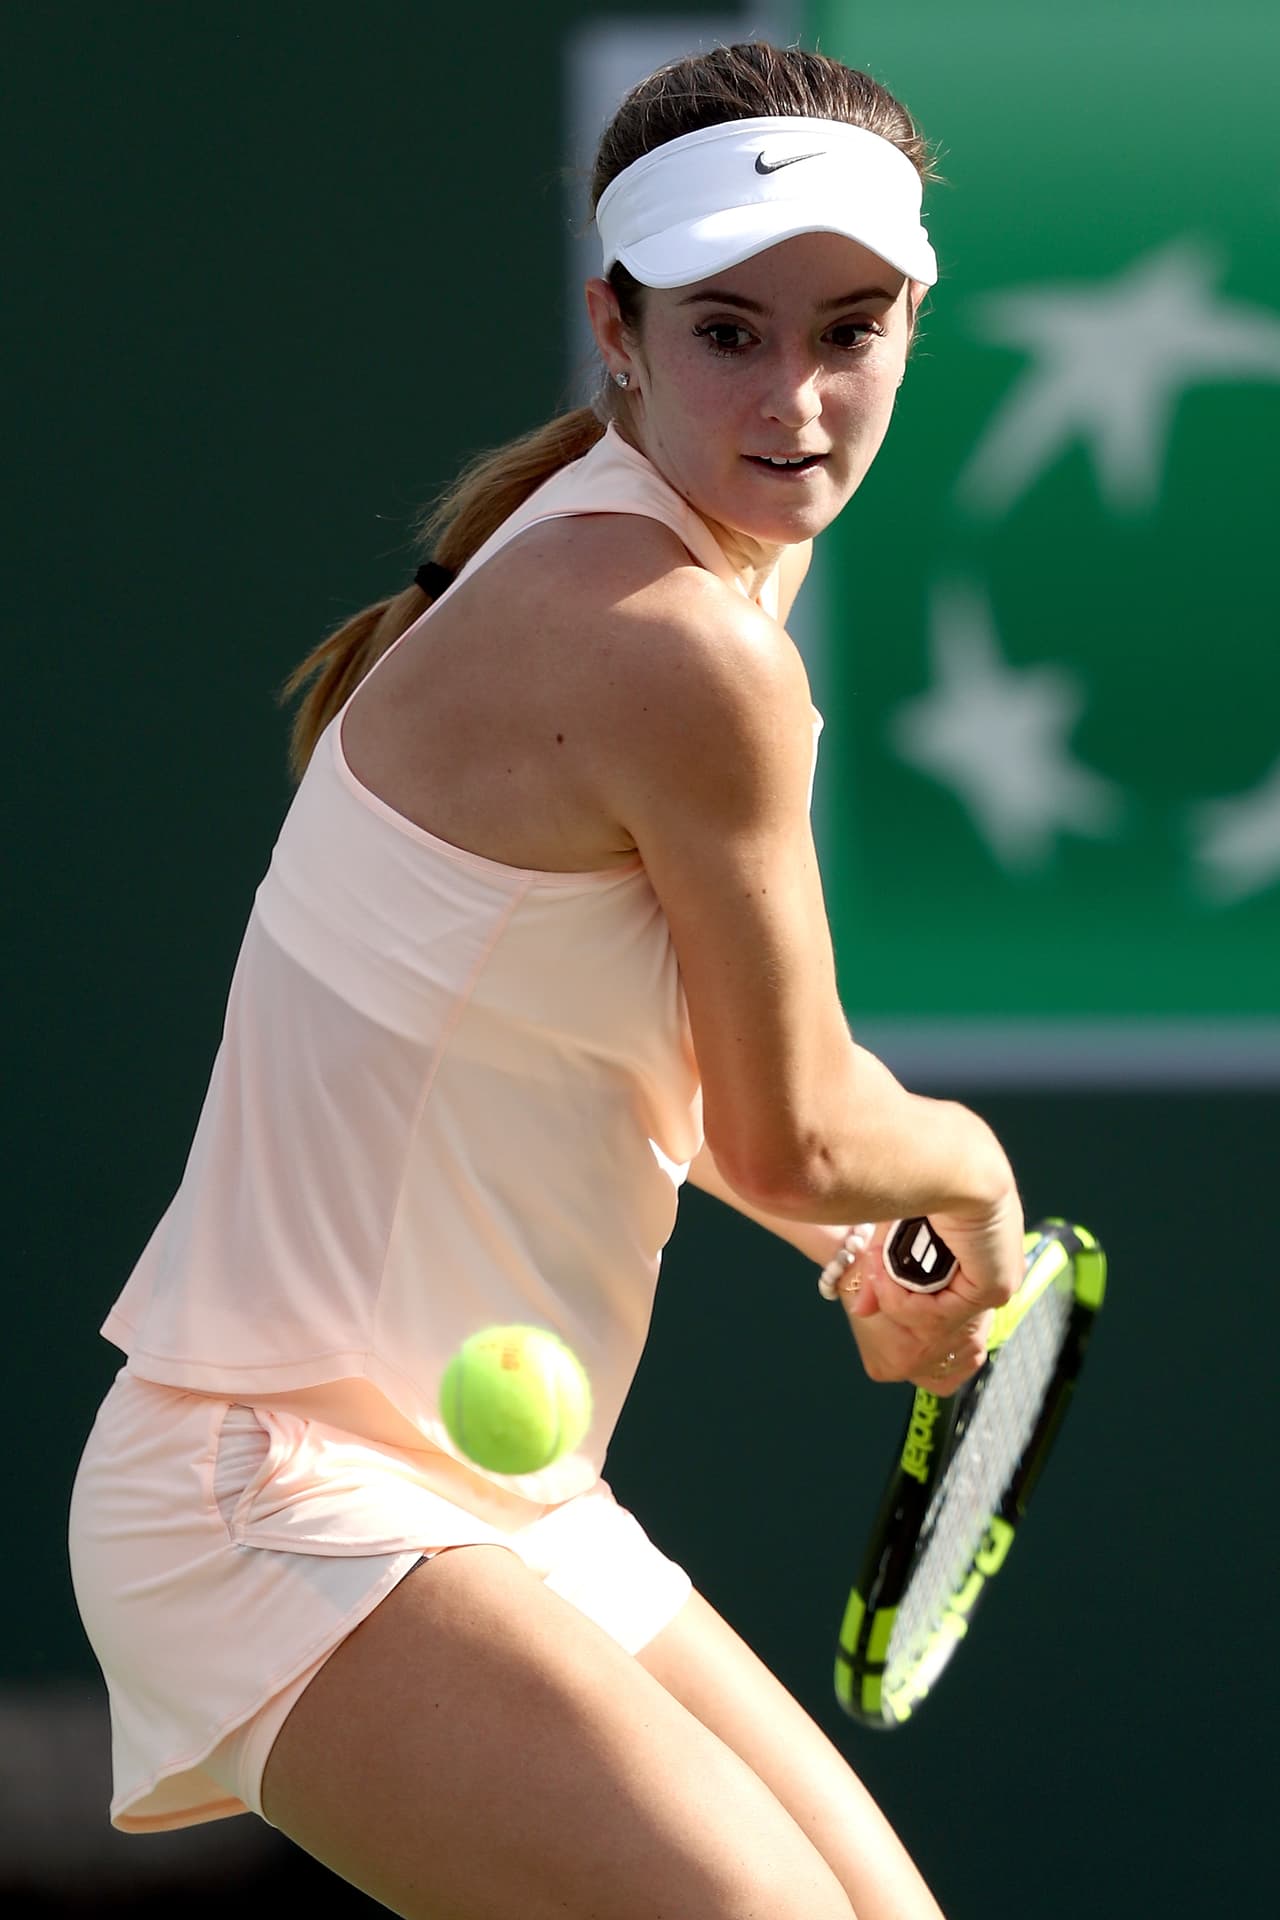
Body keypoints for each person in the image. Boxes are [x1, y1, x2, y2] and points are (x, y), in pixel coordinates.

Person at [69, 40, 1023, 1920]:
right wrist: (966, 1186)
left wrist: (847, 1243)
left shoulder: (665, 554)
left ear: (916, 319)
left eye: (848, 329)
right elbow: (810, 1127)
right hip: (273, 1487)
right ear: (620, 324)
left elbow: (662, 1092)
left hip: (480, 1489)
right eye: (730, 332)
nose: (799, 397)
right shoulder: (675, 646)